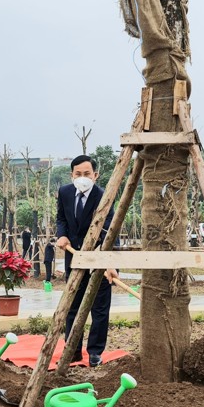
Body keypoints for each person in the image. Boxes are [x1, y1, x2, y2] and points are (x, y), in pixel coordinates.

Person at [55, 154, 119, 367]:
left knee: (99, 307)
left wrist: (109, 263)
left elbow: (110, 229)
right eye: (78, 174)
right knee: (73, 304)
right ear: (72, 175)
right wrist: (61, 235)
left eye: (87, 174)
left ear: (95, 175)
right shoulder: (64, 192)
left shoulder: (104, 196)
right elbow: (61, 219)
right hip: (73, 257)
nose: (82, 177)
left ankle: (94, 352)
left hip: (99, 258)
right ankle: (72, 348)